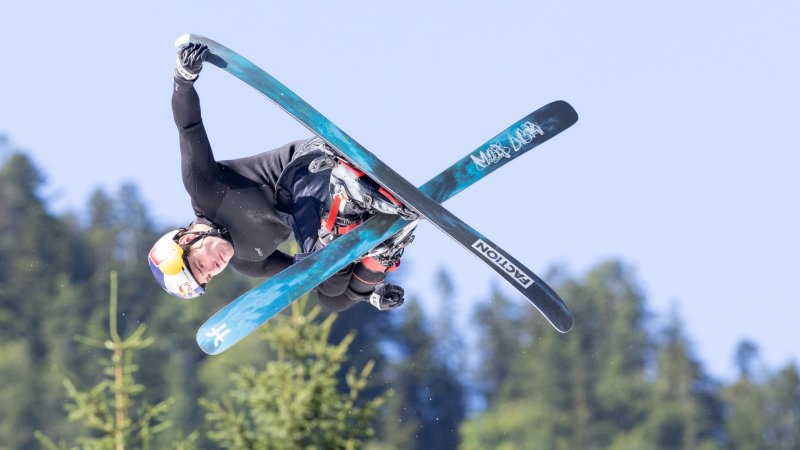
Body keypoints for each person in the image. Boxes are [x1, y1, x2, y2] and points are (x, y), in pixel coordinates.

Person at [147, 43, 415, 311]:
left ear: (186, 240)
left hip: (311, 167)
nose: (214, 268)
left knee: (326, 279)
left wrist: (183, 81)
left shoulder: (204, 190)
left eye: (200, 264)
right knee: (333, 298)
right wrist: (369, 289)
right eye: (208, 276)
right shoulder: (248, 262)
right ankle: (380, 253)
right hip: (320, 206)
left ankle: (346, 203)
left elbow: (188, 127)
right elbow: (306, 274)